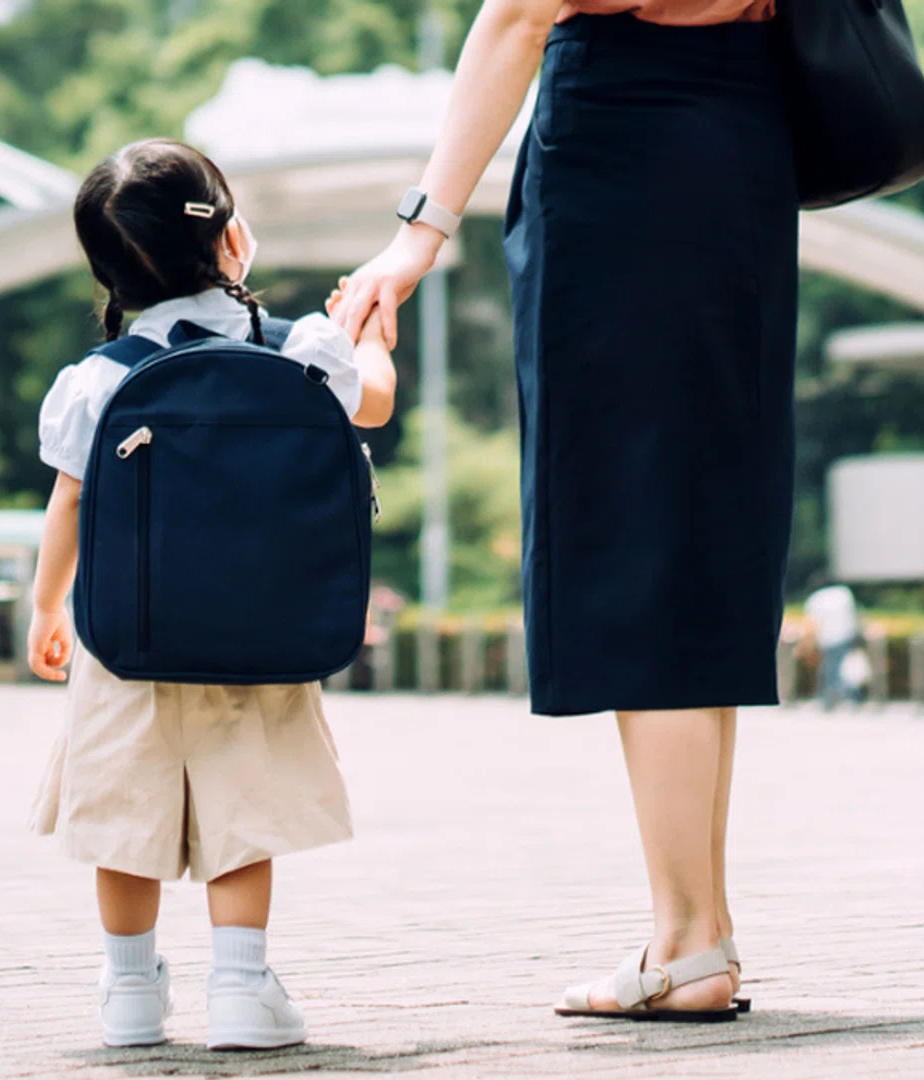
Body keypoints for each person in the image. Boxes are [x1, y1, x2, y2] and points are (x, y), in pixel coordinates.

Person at [334, 0, 796, 1021]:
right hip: (744, 137)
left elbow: (518, 17)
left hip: (627, 146)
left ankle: (687, 941)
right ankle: (698, 928)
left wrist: (418, 235)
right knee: (699, 526)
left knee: (640, 532)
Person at [26, 138, 398, 1050]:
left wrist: (46, 610)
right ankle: (239, 987)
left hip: (129, 634)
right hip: (261, 630)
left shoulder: (94, 384)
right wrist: (368, 334)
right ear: (231, 243)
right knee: (241, 819)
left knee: (126, 819)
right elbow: (375, 404)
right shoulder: (301, 348)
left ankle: (129, 994)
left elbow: (69, 501)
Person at [804, 583, 862, 709]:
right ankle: (839, 698)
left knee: (831, 670)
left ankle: (839, 699)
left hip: (828, 639)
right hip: (847, 636)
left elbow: (812, 624)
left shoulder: (816, 599)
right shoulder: (843, 593)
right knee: (841, 669)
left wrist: (807, 645)